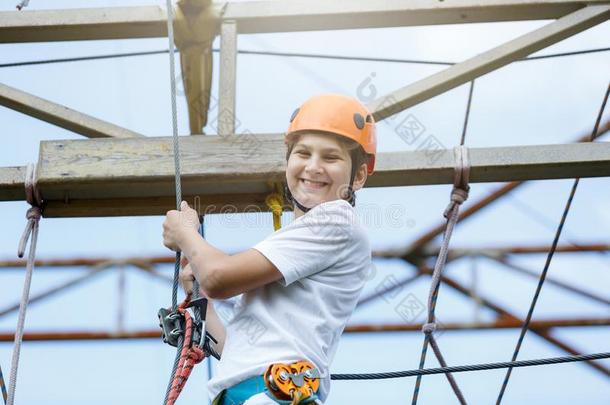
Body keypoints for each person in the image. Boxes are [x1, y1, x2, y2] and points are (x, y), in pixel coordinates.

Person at [162, 93, 377, 404]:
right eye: (303, 153)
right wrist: (202, 302)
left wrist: (186, 235)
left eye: (331, 158)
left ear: (358, 176)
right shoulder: (299, 244)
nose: (314, 167)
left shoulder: (337, 220)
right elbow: (241, 348)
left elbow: (220, 278)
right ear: (288, 161)